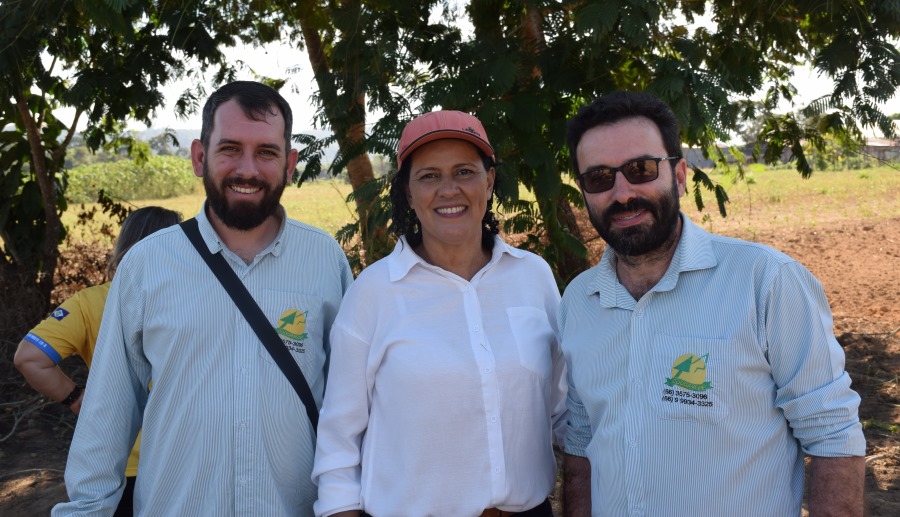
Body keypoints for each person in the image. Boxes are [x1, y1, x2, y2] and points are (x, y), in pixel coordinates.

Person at [53, 81, 353, 516]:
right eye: (230, 148)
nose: (247, 169)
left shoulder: (325, 260)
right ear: (199, 156)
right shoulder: (146, 266)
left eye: (266, 152)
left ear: (289, 165)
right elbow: (107, 417)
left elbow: (350, 408)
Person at [559, 91, 866, 517]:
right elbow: (581, 442)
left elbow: (832, 435)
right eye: (599, 178)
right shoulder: (578, 300)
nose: (623, 192)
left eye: (641, 169)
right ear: (584, 192)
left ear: (680, 175)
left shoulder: (766, 281)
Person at [312, 110, 567, 517]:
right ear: (408, 194)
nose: (449, 190)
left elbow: (564, 408)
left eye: (465, 172)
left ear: (490, 180)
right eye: (429, 176)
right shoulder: (374, 294)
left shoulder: (532, 277)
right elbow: (338, 440)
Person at [15, 206, 182, 516]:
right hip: (183, 462)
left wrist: (77, 399)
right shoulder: (195, 300)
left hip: (117, 463)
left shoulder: (90, 301)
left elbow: (29, 357)